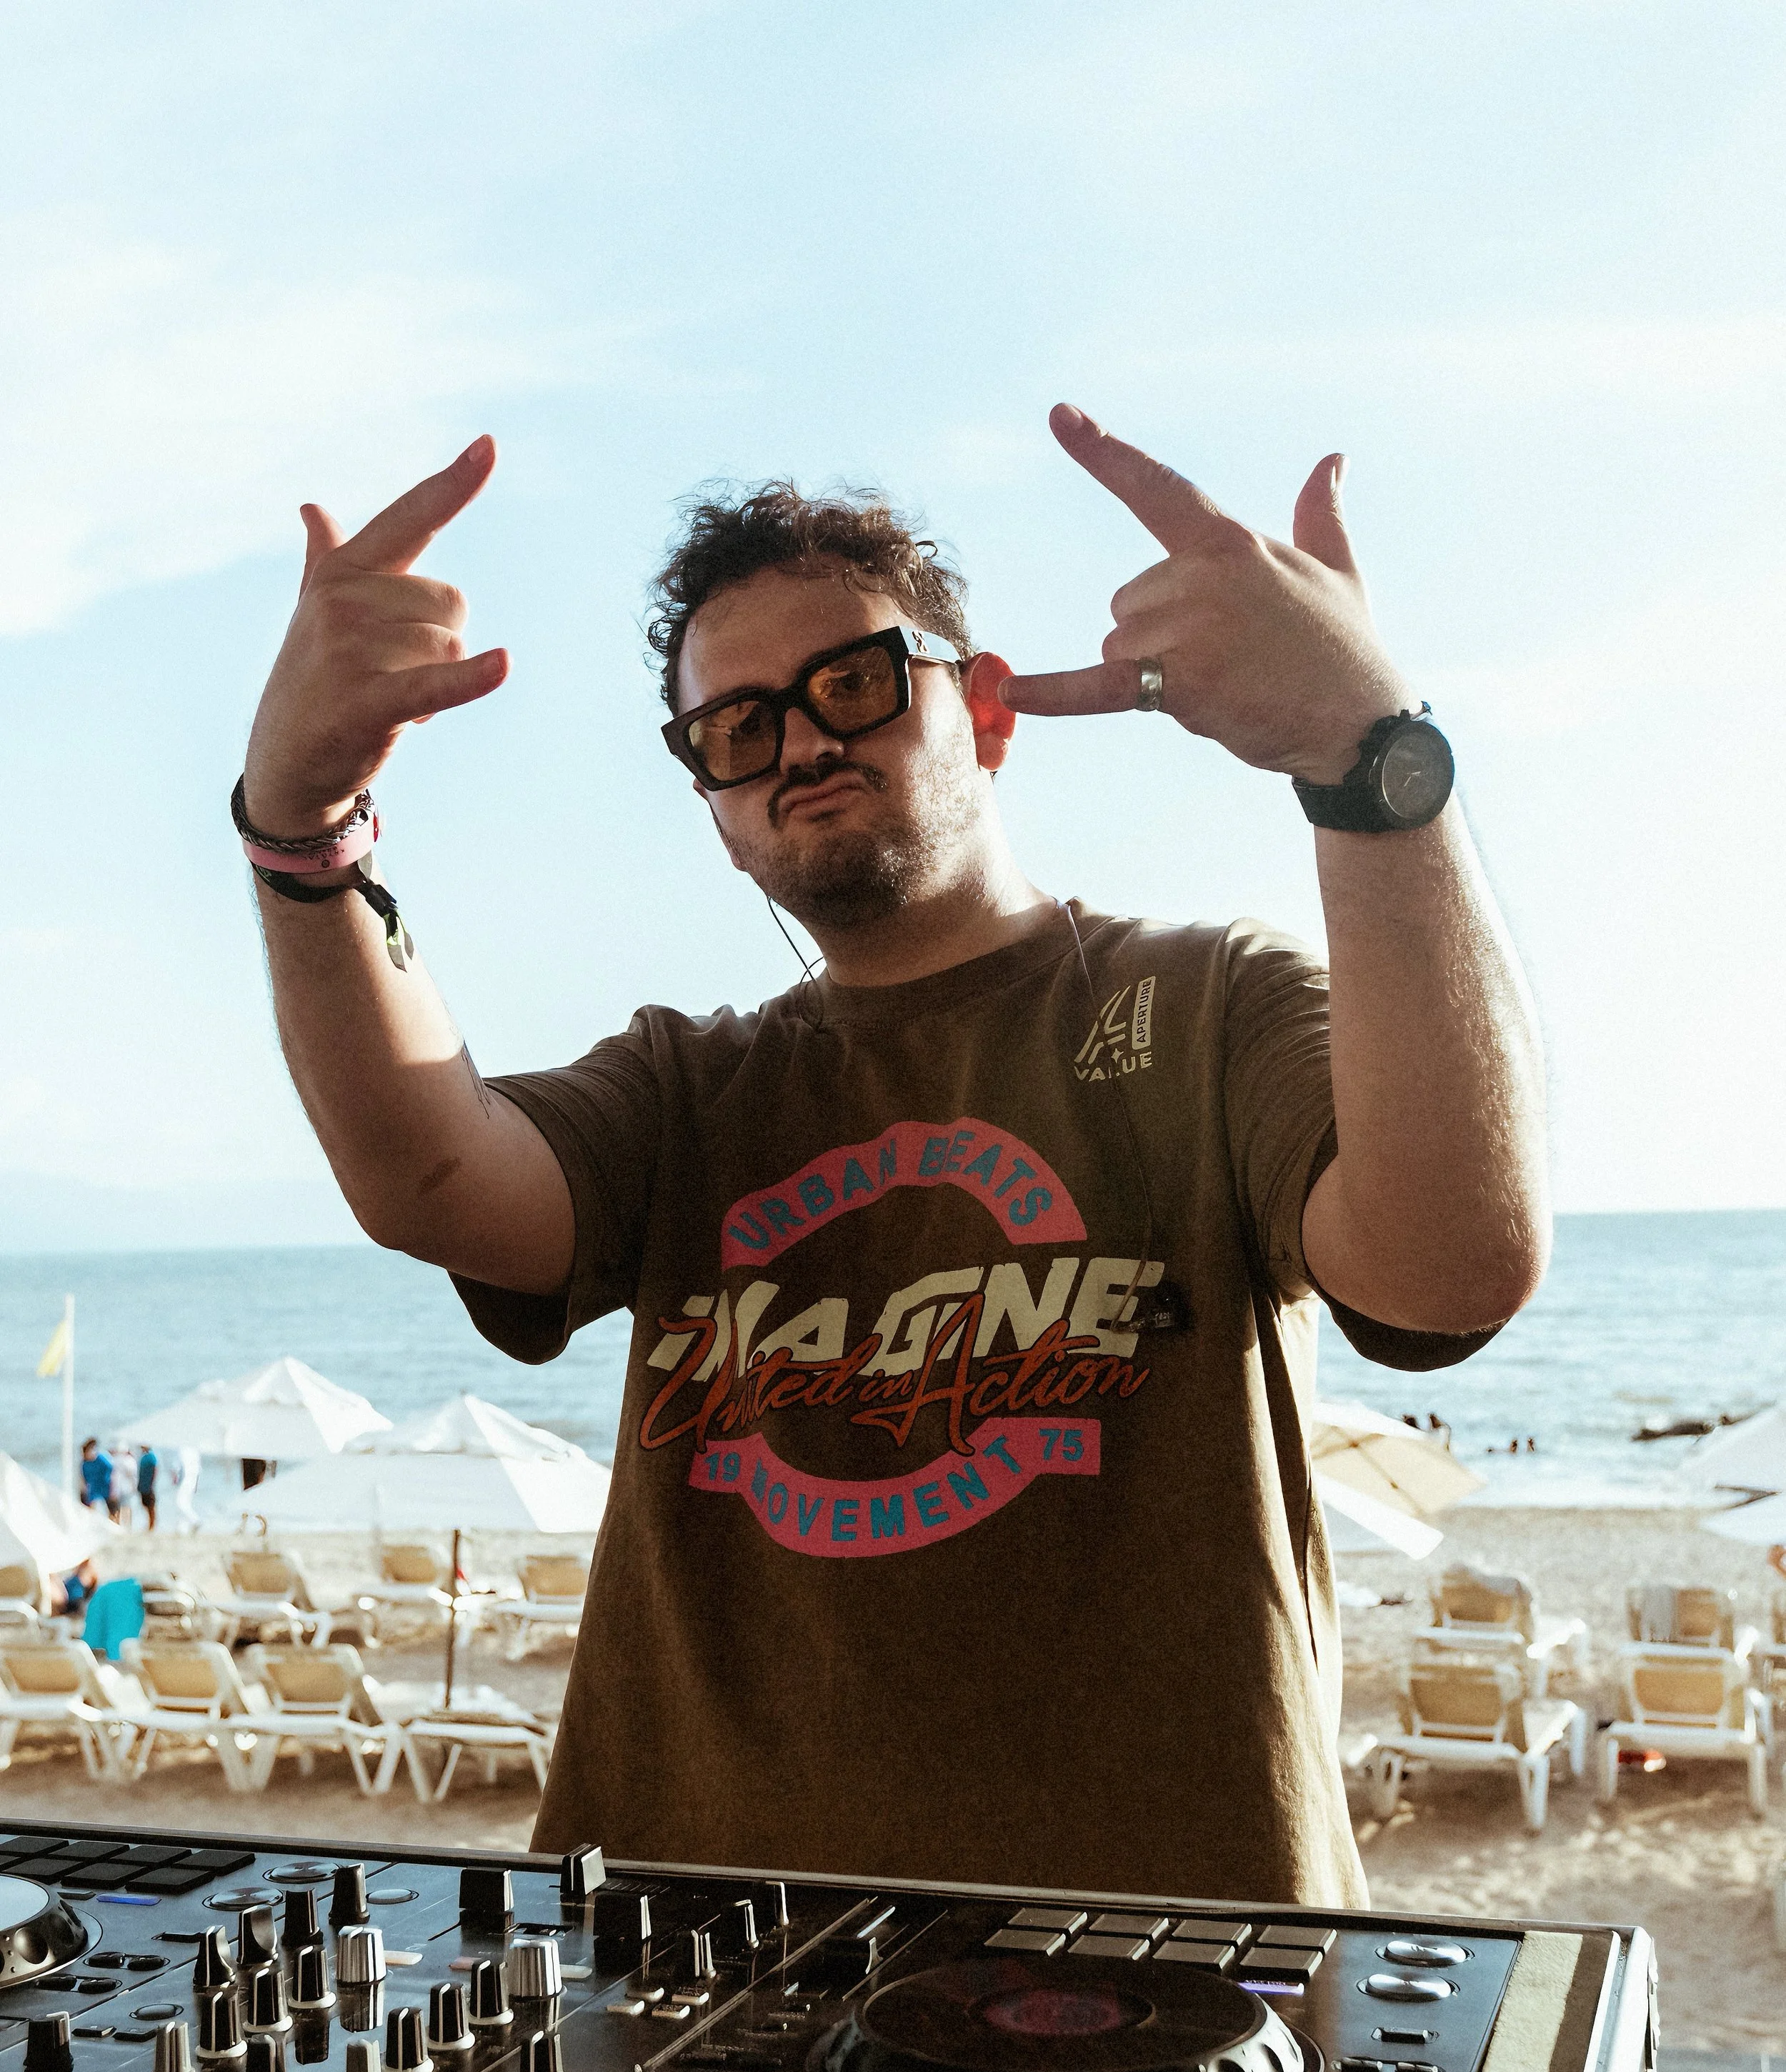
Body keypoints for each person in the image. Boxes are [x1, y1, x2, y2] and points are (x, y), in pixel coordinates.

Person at [238, 416, 1547, 1904]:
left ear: (983, 711)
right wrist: (301, 830)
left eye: (851, 683)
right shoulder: (689, 1087)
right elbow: (431, 1179)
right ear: (713, 806)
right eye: (734, 727)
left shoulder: (1201, 1005)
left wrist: (1364, 755)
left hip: (1155, 1987)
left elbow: (1452, 1260)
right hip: (685, 1978)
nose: (798, 740)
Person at [79, 1437, 113, 1513]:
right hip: (93, 1493)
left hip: (104, 1491)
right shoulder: (85, 1464)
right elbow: (84, 1479)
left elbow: (111, 1470)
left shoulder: (101, 1459)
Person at [137, 1444, 159, 1531]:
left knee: (151, 1506)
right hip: (143, 1485)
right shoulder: (143, 1457)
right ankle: (150, 1524)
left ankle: (152, 1525)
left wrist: (152, 1483)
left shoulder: (151, 1456)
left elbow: (155, 1469)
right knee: (145, 1504)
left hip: (148, 1485)